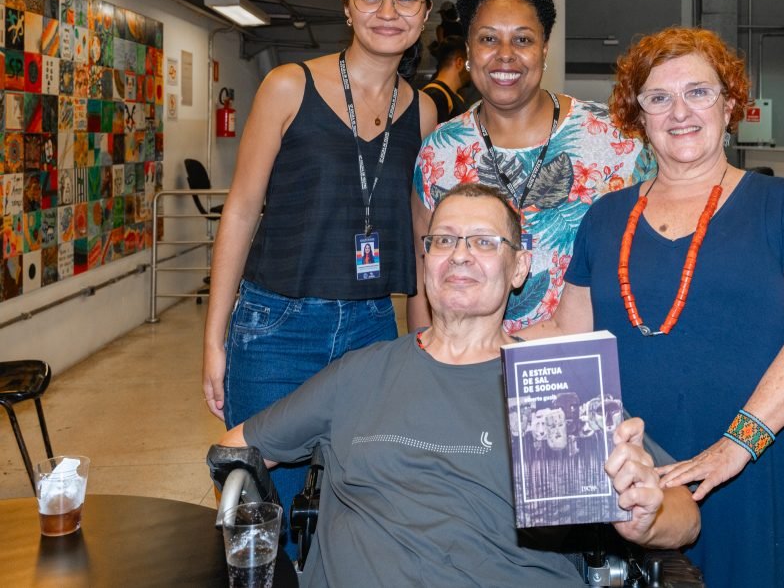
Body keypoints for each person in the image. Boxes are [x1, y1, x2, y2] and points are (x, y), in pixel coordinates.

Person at [217, 183, 700, 587]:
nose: (461, 255)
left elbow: (687, 515)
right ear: (425, 262)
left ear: (520, 267)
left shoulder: (559, 386)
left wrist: (648, 518)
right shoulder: (359, 373)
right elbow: (234, 452)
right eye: (443, 240)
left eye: (485, 242)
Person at [524, 27, 784, 587]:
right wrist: (464, 343)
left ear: (730, 104)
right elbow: (567, 335)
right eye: (658, 98)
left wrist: (734, 447)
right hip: (635, 469)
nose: (680, 112)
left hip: (751, 462)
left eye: (699, 92)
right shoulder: (604, 217)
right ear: (637, 114)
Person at [201, 0, 437, 555]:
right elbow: (242, 211)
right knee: (260, 505)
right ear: (348, 7)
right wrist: (213, 337)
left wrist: (423, 336)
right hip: (277, 323)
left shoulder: (425, 111)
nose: (389, 10)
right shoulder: (288, 86)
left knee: (358, 500)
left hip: (369, 326)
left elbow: (419, 234)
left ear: (425, 14)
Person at [410, 0, 658, 333]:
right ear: (468, 51)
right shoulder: (440, 153)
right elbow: (422, 275)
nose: (505, 55)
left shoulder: (616, 140)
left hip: (592, 360)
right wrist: (425, 367)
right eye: (488, 38)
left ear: (544, 50)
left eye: (522, 39)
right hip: (473, 368)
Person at [420, 36, 470, 122]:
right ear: (459, 63)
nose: (472, 70)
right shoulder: (435, 95)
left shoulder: (455, 96)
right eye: (469, 64)